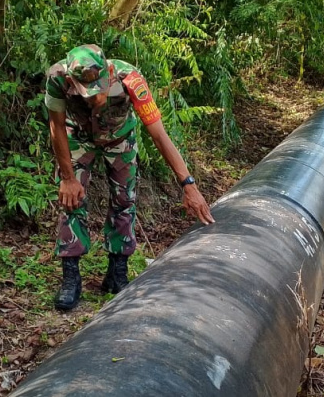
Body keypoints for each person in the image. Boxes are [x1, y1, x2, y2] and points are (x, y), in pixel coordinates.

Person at [44, 44, 215, 311]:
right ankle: (71, 277)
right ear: (71, 80)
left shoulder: (130, 79)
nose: (95, 99)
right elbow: (56, 127)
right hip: (78, 137)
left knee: (125, 200)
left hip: (119, 138)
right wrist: (67, 177)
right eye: (87, 93)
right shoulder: (57, 77)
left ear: (109, 71)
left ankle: (117, 271)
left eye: (99, 89)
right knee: (71, 200)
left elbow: (159, 134)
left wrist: (188, 184)